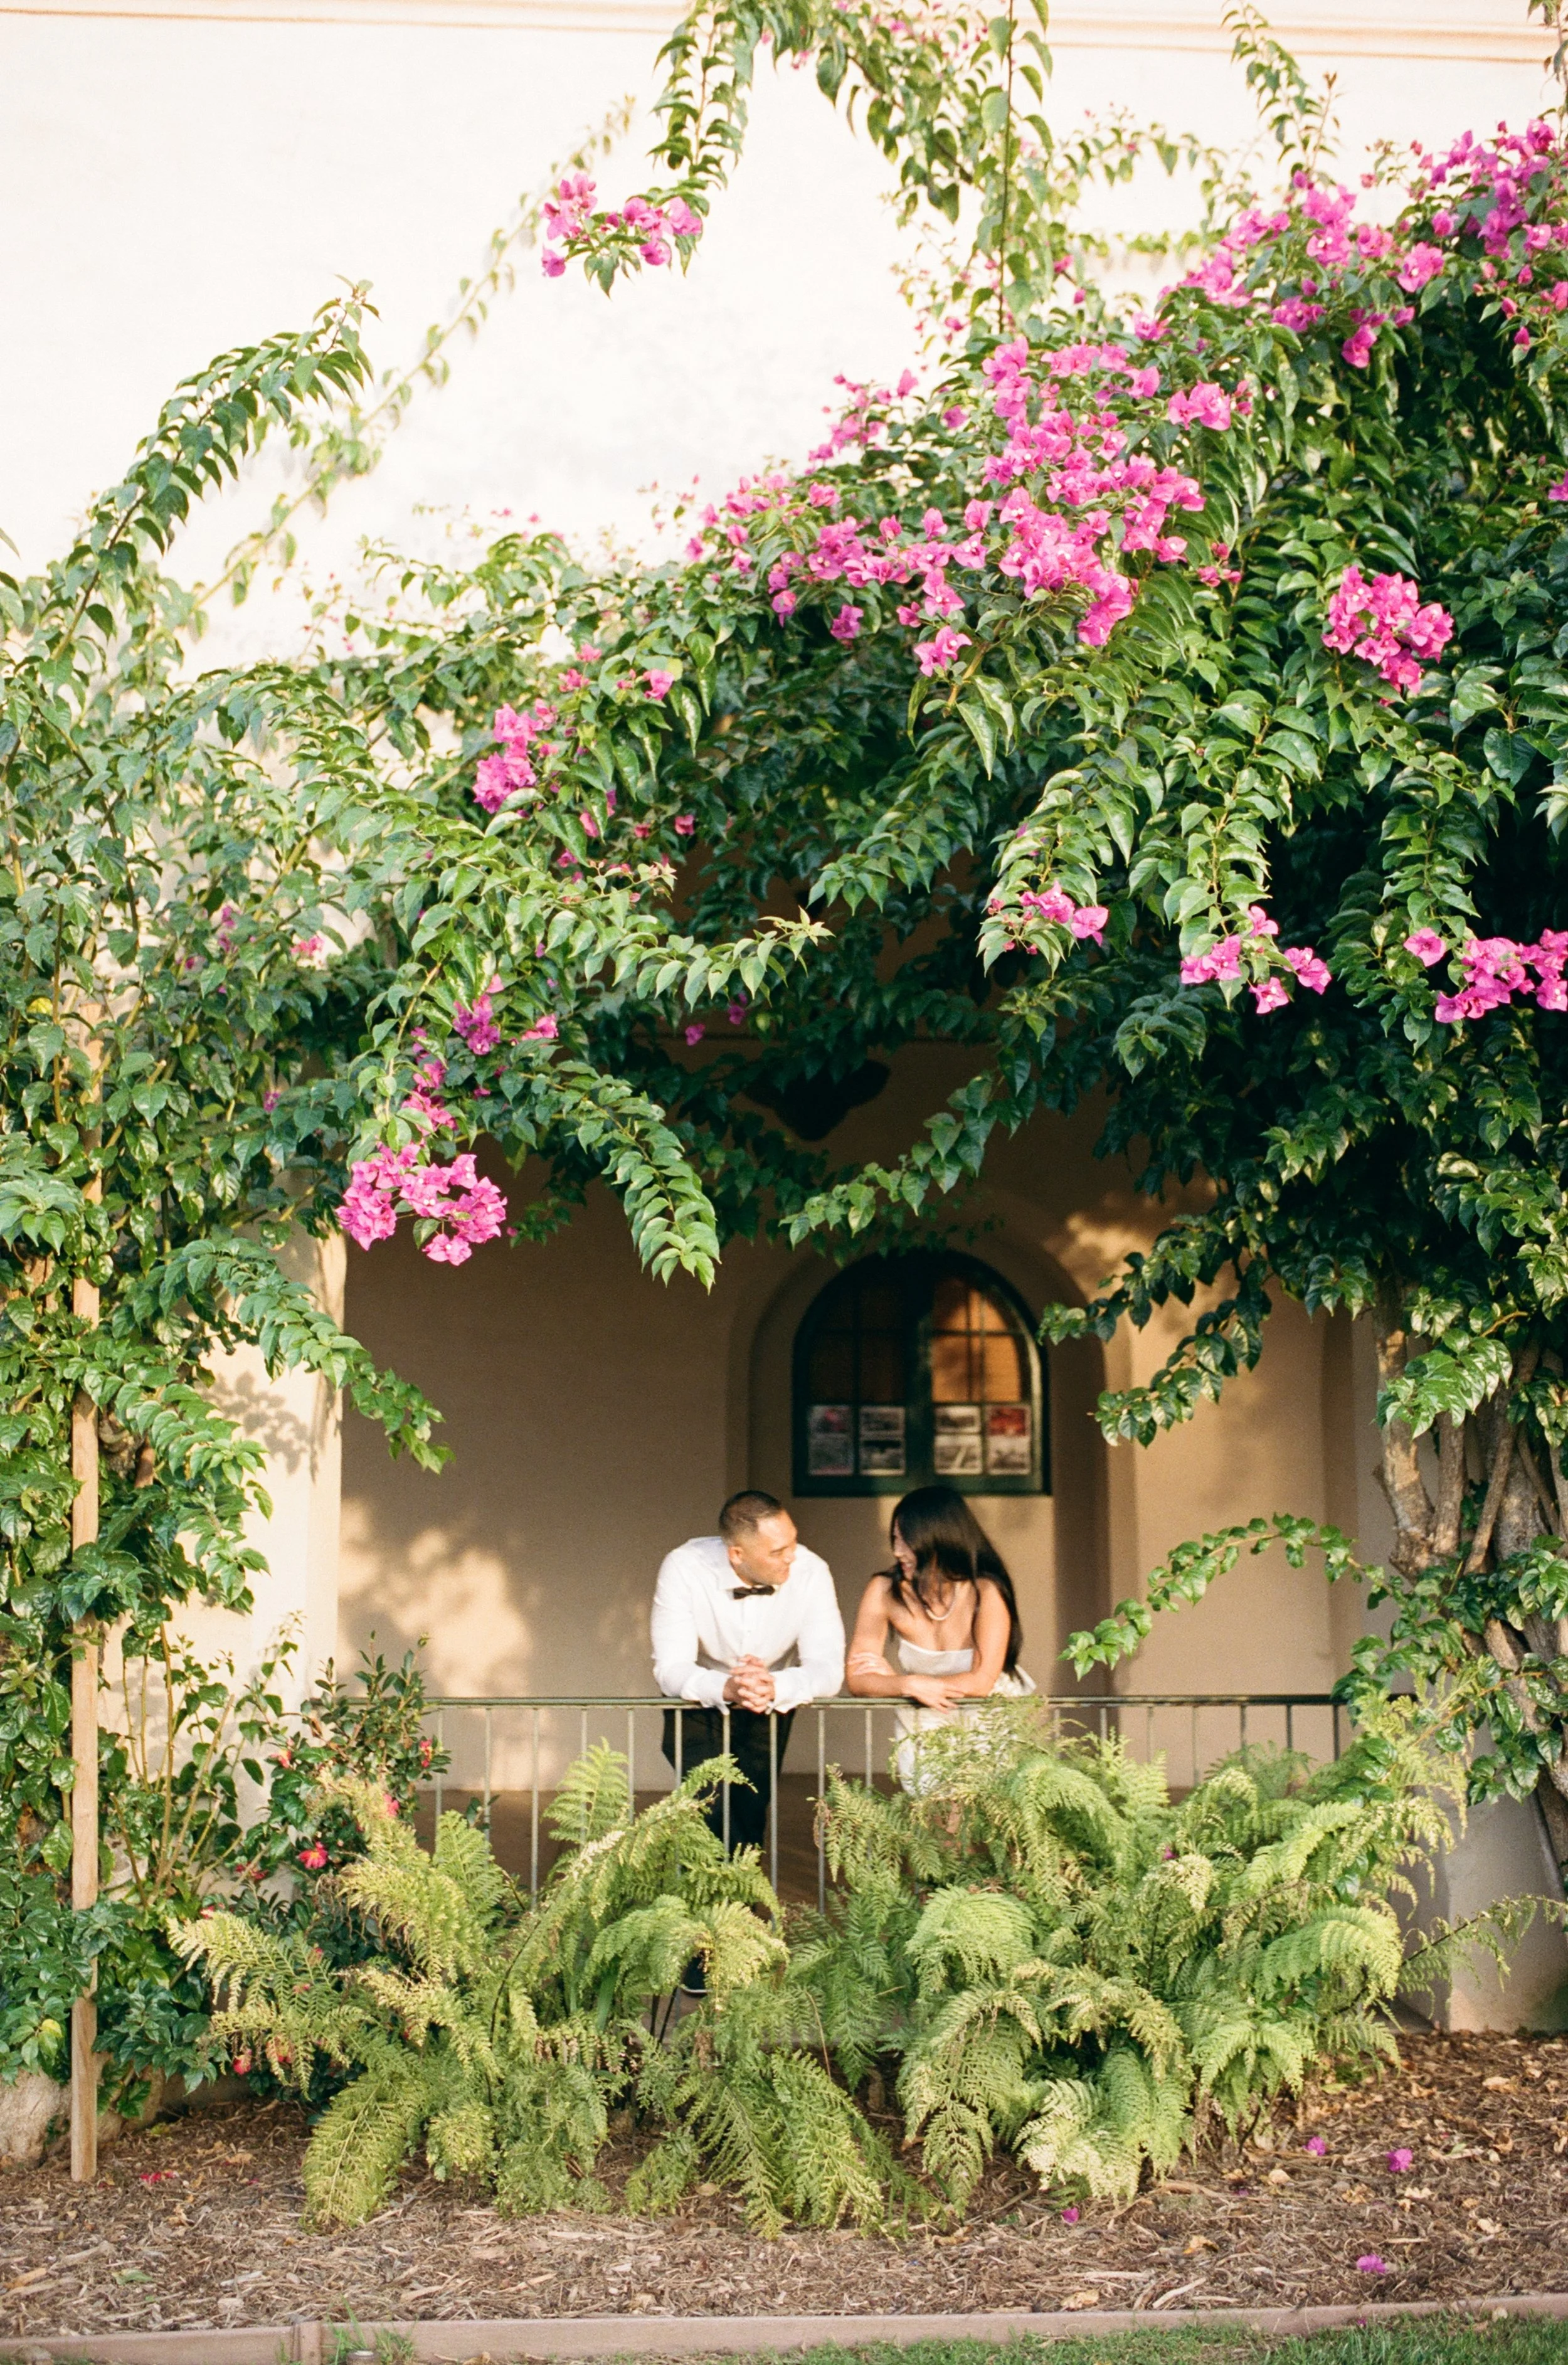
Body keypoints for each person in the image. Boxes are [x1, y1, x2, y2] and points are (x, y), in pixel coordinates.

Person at [652, 1490, 845, 1853]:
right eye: (777, 1552)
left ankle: (739, 1900)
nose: (791, 1557)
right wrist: (727, 1688)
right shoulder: (684, 1566)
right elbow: (671, 1667)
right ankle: (715, 1900)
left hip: (772, 1697)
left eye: (793, 1542)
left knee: (751, 1807)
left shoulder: (812, 1571)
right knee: (707, 1807)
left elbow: (828, 1668)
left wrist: (775, 1685)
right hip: (699, 1698)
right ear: (736, 1554)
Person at [844, 1484, 1035, 1787]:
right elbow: (857, 1678)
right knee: (934, 1821)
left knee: (991, 1820)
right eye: (895, 1539)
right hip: (923, 1718)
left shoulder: (985, 1592)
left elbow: (982, 1682)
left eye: (906, 1540)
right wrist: (908, 1684)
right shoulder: (883, 1591)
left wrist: (902, 1685)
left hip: (989, 1717)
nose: (897, 1551)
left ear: (937, 1540)